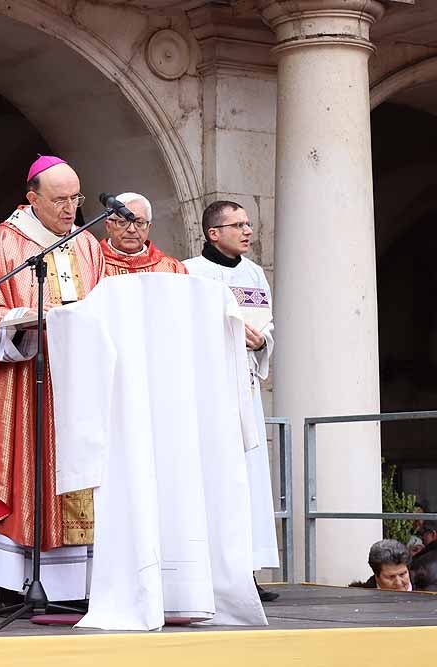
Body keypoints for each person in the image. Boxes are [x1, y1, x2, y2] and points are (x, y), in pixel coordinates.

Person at [0, 155, 106, 603]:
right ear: (32, 199)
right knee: (22, 472)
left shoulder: (87, 246)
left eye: (76, 199)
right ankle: (17, 585)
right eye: (60, 200)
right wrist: (18, 320)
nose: (70, 209)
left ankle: (76, 589)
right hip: (21, 388)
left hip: (79, 390)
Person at [183, 201, 279, 602]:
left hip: (247, 388)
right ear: (213, 233)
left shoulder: (255, 273)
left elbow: (266, 321)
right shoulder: (189, 272)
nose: (247, 230)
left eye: (248, 223)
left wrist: (261, 341)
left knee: (251, 478)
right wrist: (228, 335)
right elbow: (185, 326)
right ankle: (207, 573)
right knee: (214, 478)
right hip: (210, 392)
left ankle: (246, 573)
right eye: (237, 224)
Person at [100, 192, 187, 276]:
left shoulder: (171, 268)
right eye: (122, 222)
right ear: (108, 226)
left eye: (139, 222)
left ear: (148, 228)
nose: (132, 229)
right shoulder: (95, 266)